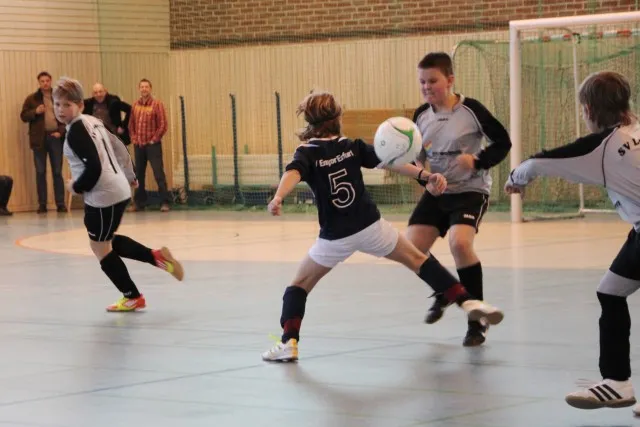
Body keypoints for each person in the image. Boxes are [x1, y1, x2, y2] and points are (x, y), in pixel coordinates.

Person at [261, 90, 504, 362]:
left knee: (299, 285)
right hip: (370, 227)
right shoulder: (351, 146)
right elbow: (392, 163)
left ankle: (289, 342)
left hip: (335, 237)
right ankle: (468, 301)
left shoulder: (306, 152)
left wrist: (279, 197)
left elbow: (293, 172)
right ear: (338, 117)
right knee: (419, 260)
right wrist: (426, 175)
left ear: (308, 120)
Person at [505, 71, 640, 415]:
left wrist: (516, 177)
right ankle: (617, 382)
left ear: (589, 110)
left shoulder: (603, 149)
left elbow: (543, 161)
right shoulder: (636, 129)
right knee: (611, 291)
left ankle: (617, 381)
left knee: (611, 293)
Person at [52, 77, 184, 312]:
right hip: (118, 189)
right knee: (105, 241)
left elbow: (93, 167)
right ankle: (156, 257)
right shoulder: (93, 121)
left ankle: (133, 296)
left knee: (100, 248)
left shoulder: (76, 132)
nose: (61, 110)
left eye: (67, 105)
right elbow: (118, 145)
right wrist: (130, 174)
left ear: (80, 105)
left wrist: (76, 187)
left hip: (104, 196)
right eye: (57, 104)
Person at [407, 52, 512, 347]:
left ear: (450, 80)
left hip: (470, 190)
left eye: (432, 81)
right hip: (438, 191)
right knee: (411, 249)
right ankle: (445, 288)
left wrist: (477, 161)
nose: (426, 87)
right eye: (422, 82)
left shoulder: (471, 110)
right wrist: (425, 178)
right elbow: (415, 159)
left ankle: (477, 321)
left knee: (460, 244)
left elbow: (503, 142)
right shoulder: (421, 115)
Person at [20, 71, 68, 214]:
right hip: (39, 139)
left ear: (51, 81)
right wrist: (35, 111)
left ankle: (60, 204)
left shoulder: (59, 96)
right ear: (39, 82)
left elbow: (66, 115)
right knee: (40, 172)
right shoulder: (32, 98)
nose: (45, 83)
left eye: (47, 80)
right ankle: (42, 204)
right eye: (42, 81)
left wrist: (61, 132)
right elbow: (23, 116)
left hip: (55, 138)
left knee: (57, 172)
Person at [128, 78, 170, 212]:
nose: (144, 89)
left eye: (146, 87)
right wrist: (134, 139)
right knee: (139, 175)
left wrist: (153, 140)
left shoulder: (157, 104)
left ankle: (164, 202)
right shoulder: (135, 105)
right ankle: (139, 203)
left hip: (153, 146)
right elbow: (131, 125)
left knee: (158, 173)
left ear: (150, 89)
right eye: (142, 87)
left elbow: (163, 125)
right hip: (139, 145)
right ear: (139, 89)